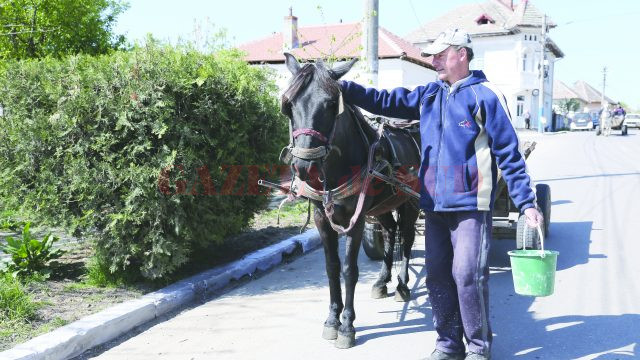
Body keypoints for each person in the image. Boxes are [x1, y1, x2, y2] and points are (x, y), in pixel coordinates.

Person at [339, 28, 543, 360]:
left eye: (440, 54)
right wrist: (344, 88)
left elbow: (509, 153)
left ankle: (478, 346)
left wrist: (526, 203)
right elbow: (384, 100)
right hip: (433, 204)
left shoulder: (486, 96)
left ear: (461, 54)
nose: (433, 61)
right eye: (432, 56)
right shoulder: (429, 95)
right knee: (436, 275)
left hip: (471, 206)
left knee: (466, 274)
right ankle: (448, 344)